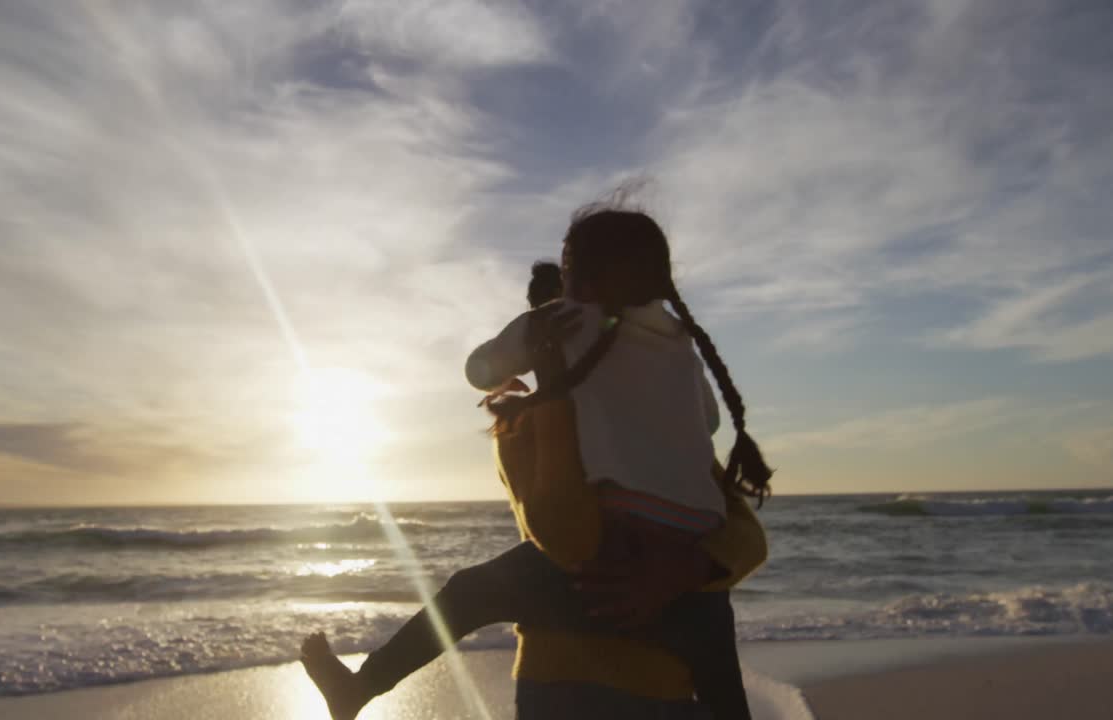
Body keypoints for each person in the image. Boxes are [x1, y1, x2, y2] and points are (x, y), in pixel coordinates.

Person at [301, 205, 771, 719]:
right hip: (692, 570)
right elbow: (708, 424)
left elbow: (480, 371)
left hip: (594, 584)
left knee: (469, 594)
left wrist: (542, 388)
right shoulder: (681, 344)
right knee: (726, 692)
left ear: (574, 279)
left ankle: (361, 688)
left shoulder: (557, 329)